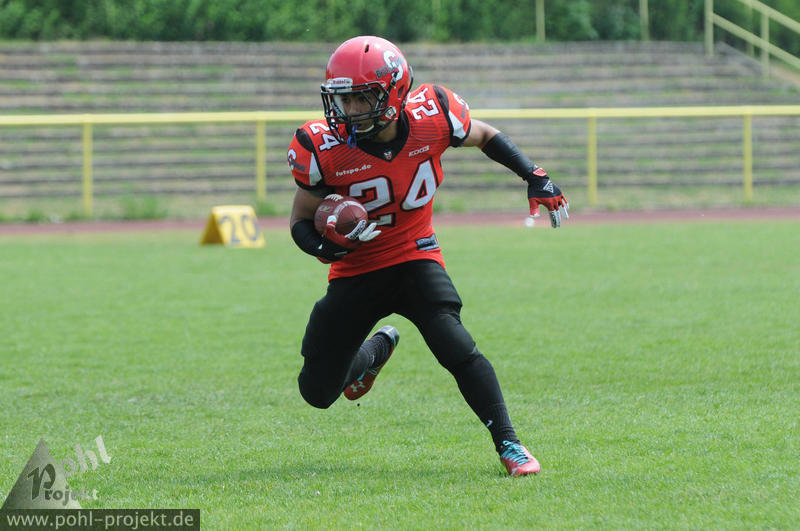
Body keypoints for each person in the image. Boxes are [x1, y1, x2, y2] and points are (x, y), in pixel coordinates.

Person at [287, 36, 568, 476]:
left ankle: (510, 444)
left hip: (415, 256)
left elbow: (484, 135)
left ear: (394, 91)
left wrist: (533, 174)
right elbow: (300, 221)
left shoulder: (433, 114)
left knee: (456, 345)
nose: (349, 110)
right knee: (317, 392)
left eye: (362, 97)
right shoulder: (323, 146)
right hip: (356, 271)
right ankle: (374, 352)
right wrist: (328, 246)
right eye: (343, 99)